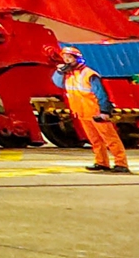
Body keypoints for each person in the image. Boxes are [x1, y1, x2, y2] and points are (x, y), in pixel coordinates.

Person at [52, 45, 129, 174]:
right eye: (65, 58)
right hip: (82, 112)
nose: (66, 60)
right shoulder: (68, 75)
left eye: (69, 57)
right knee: (95, 140)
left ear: (77, 59)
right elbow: (57, 83)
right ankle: (101, 162)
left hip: (95, 112)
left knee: (110, 139)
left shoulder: (89, 74)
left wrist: (104, 111)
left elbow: (101, 94)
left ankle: (121, 163)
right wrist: (59, 72)